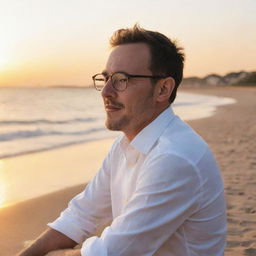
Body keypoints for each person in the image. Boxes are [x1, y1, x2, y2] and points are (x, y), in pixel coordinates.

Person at [17, 24, 227, 256]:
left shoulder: (175, 157)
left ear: (163, 89)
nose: (106, 91)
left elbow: (112, 252)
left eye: (121, 79)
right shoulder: (125, 145)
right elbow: (81, 215)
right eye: (106, 78)